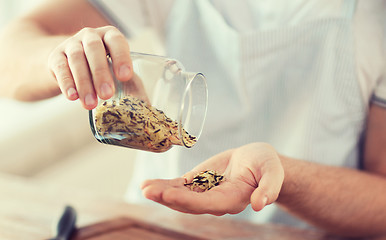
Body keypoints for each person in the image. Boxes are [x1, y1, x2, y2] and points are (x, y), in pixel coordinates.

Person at [1, 0, 386, 238]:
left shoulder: (375, 19)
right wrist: (61, 58)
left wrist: (284, 177)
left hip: (300, 233)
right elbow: (9, 55)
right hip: (158, 223)